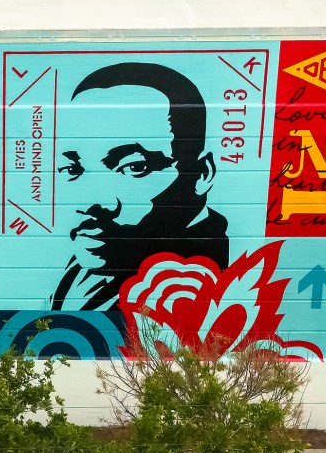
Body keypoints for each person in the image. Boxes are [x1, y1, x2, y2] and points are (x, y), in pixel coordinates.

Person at [51, 62, 228, 310]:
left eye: (134, 168)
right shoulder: (92, 263)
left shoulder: (202, 289)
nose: (91, 203)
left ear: (202, 174)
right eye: (73, 169)